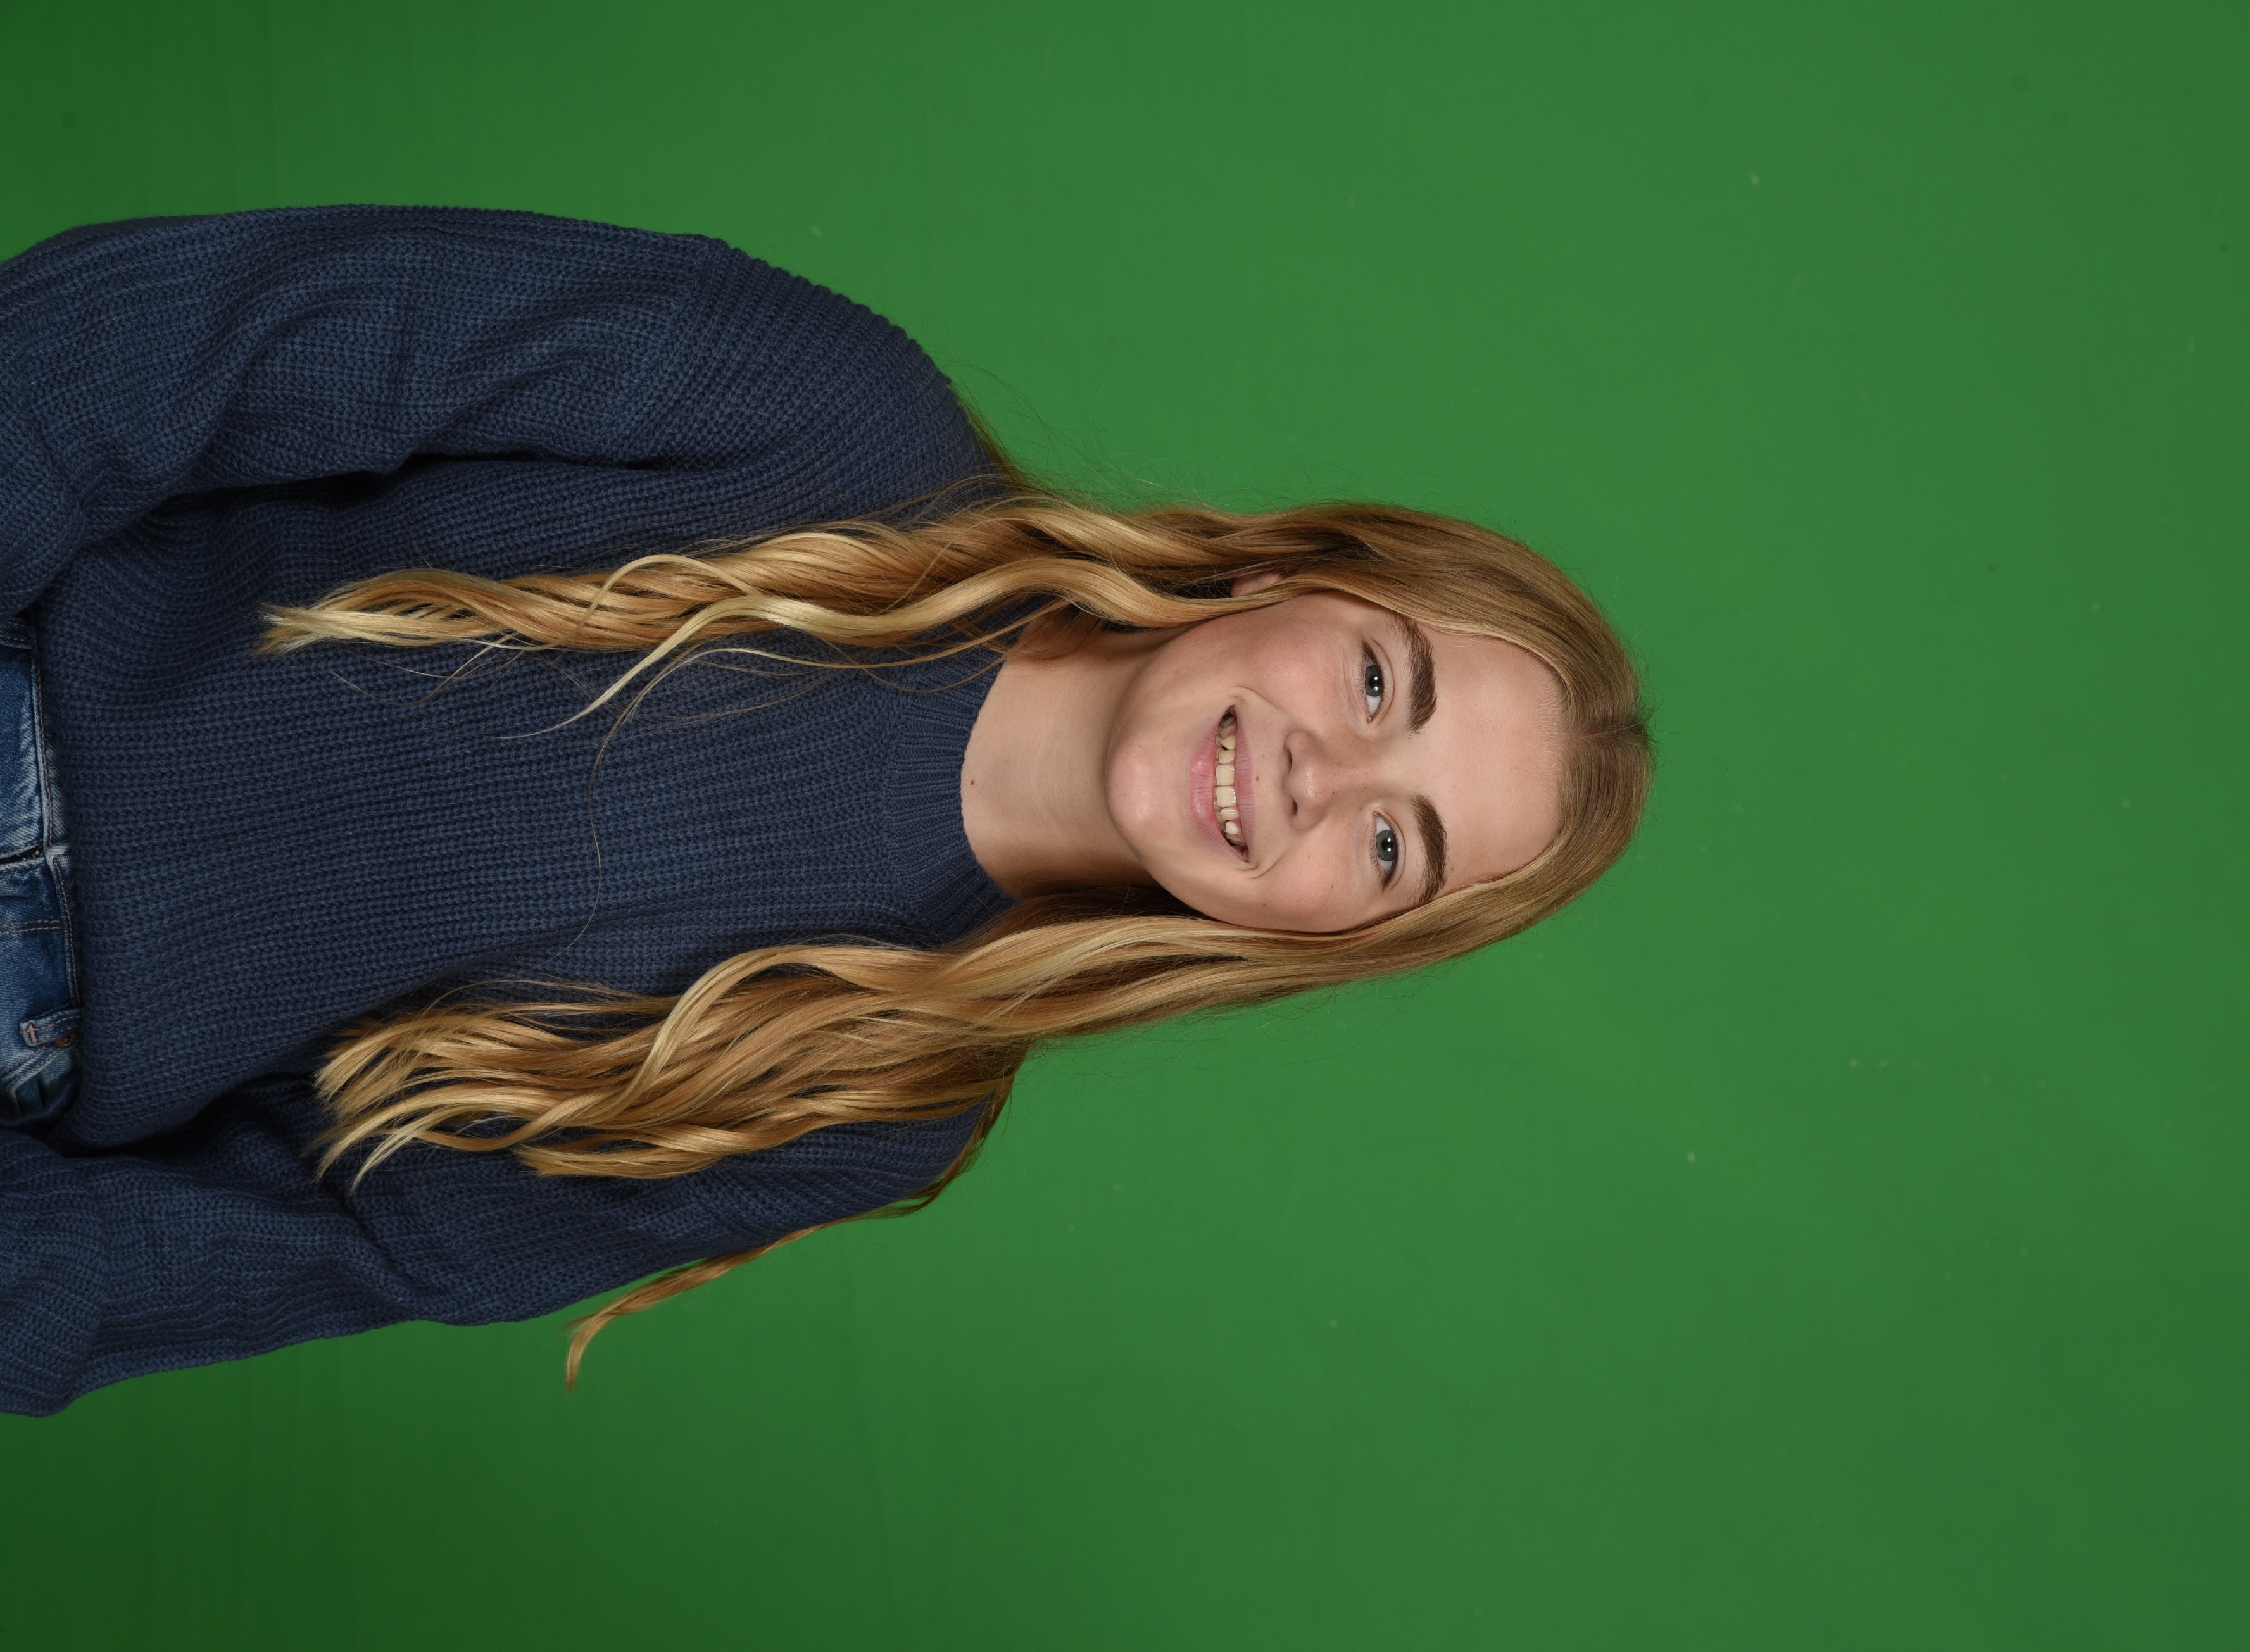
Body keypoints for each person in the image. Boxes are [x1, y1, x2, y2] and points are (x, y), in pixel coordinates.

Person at [0, 206, 1650, 1417]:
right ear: (1291, 572)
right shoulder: (831, 411)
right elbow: (214, 338)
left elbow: (295, 1241)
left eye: (1392, 847)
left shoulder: (882, 1096)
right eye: (1378, 684)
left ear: (1327, 942)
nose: (1320, 778)